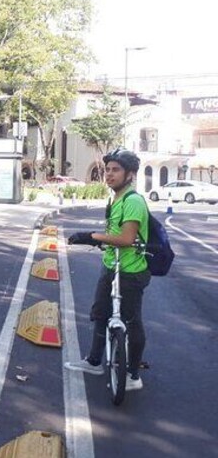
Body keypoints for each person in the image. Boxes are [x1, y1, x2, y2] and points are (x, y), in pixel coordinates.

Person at [65, 148, 150, 392]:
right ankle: (94, 361)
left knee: (132, 321)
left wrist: (90, 236)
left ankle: (133, 374)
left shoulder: (133, 201)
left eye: (116, 170)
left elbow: (125, 238)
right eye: (108, 170)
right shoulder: (115, 199)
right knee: (101, 313)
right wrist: (101, 240)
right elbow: (114, 235)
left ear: (130, 174)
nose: (109, 175)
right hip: (111, 266)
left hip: (131, 271)